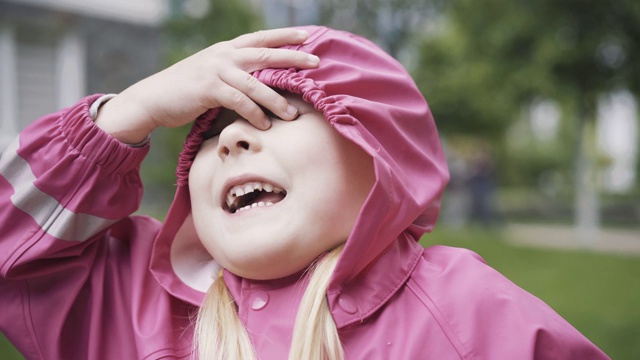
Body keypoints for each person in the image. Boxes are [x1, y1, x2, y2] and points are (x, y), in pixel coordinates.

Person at [0, 26, 608, 359]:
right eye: (208, 132)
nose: (233, 139)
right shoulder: (131, 302)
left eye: (273, 113)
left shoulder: (468, 312)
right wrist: (129, 111)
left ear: (376, 156)